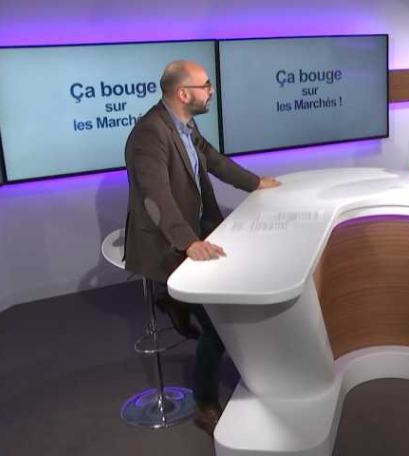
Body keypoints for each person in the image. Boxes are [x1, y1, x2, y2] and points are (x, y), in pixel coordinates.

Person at [123, 60, 280, 436]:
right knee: (216, 325)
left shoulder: (185, 124)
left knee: (240, 267)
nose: (211, 90)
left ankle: (174, 301)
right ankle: (206, 405)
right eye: (205, 85)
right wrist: (188, 242)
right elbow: (155, 197)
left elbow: (214, 160)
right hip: (166, 238)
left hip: (196, 222)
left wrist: (255, 183)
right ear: (183, 93)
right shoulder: (149, 134)